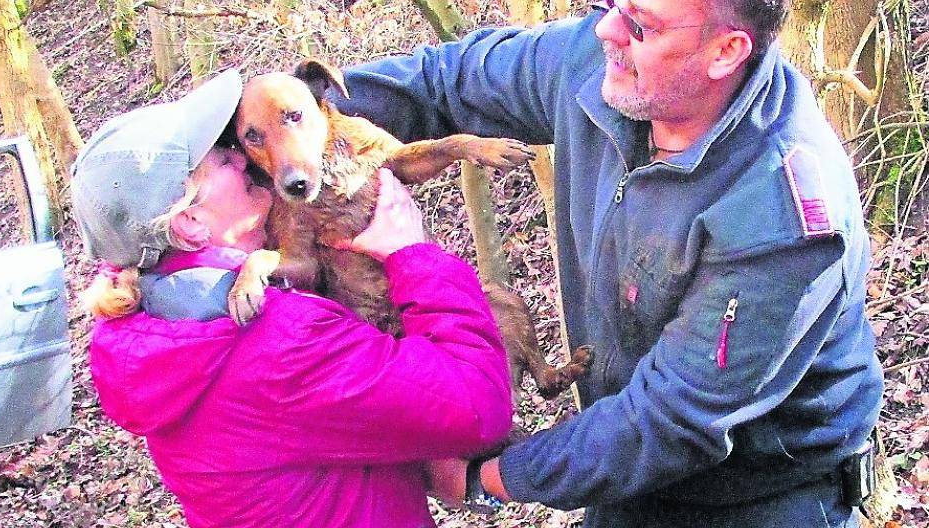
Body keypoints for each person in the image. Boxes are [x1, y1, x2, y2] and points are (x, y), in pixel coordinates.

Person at [331, 0, 884, 525]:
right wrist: (289, 122)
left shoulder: (779, 215)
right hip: (626, 479)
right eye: (613, 4)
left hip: (765, 498)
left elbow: (668, 423)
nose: (606, 31)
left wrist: (488, 477)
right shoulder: (598, 68)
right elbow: (443, 81)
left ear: (726, 51)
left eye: (641, 26)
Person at [71, 69, 513, 528]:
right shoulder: (277, 338)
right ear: (190, 223)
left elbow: (329, 441)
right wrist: (412, 255)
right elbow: (478, 406)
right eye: (220, 159)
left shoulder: (162, 330)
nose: (244, 160)